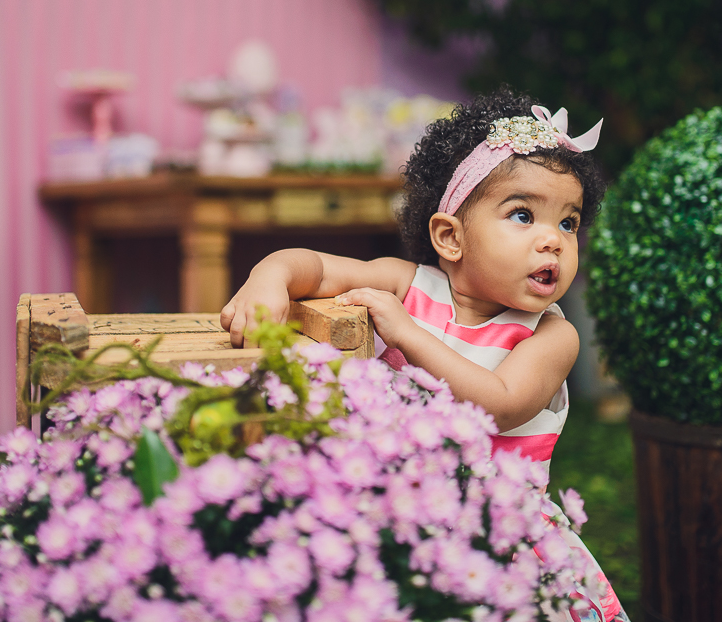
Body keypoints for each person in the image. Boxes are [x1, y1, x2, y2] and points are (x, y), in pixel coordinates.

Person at [221, 89, 627, 621]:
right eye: (524, 215)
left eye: (568, 223)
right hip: (402, 513)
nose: (553, 240)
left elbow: (500, 404)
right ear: (450, 237)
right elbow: (316, 268)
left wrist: (407, 334)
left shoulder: (550, 336)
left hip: (500, 537)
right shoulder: (410, 285)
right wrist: (269, 275)